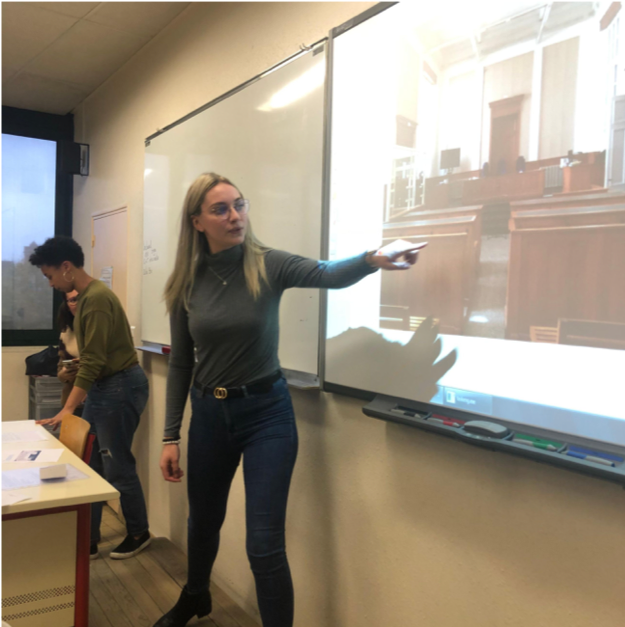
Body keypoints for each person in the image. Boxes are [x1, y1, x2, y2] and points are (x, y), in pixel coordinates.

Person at [154, 173, 421, 627]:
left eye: (240, 204)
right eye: (221, 209)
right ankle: (196, 594)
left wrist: (373, 258)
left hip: (266, 416)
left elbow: (326, 272)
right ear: (197, 221)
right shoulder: (186, 283)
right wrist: (169, 436)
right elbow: (181, 363)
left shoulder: (266, 264)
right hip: (210, 415)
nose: (235, 216)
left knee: (263, 545)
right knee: (203, 523)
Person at [29, 237, 151, 561]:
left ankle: (139, 532)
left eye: (50, 276)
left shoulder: (95, 299)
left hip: (120, 386)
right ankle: (89, 538)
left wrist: (68, 409)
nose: (51, 284)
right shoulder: (86, 298)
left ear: (66, 268)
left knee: (117, 465)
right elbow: (92, 360)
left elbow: (94, 361)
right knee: (90, 465)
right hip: (104, 386)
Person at [57, 290, 83, 414]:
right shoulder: (66, 333)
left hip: (98, 397)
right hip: (72, 401)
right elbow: (60, 367)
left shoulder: (98, 328)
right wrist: (63, 374)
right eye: (72, 300)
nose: (77, 304)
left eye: (79, 298)